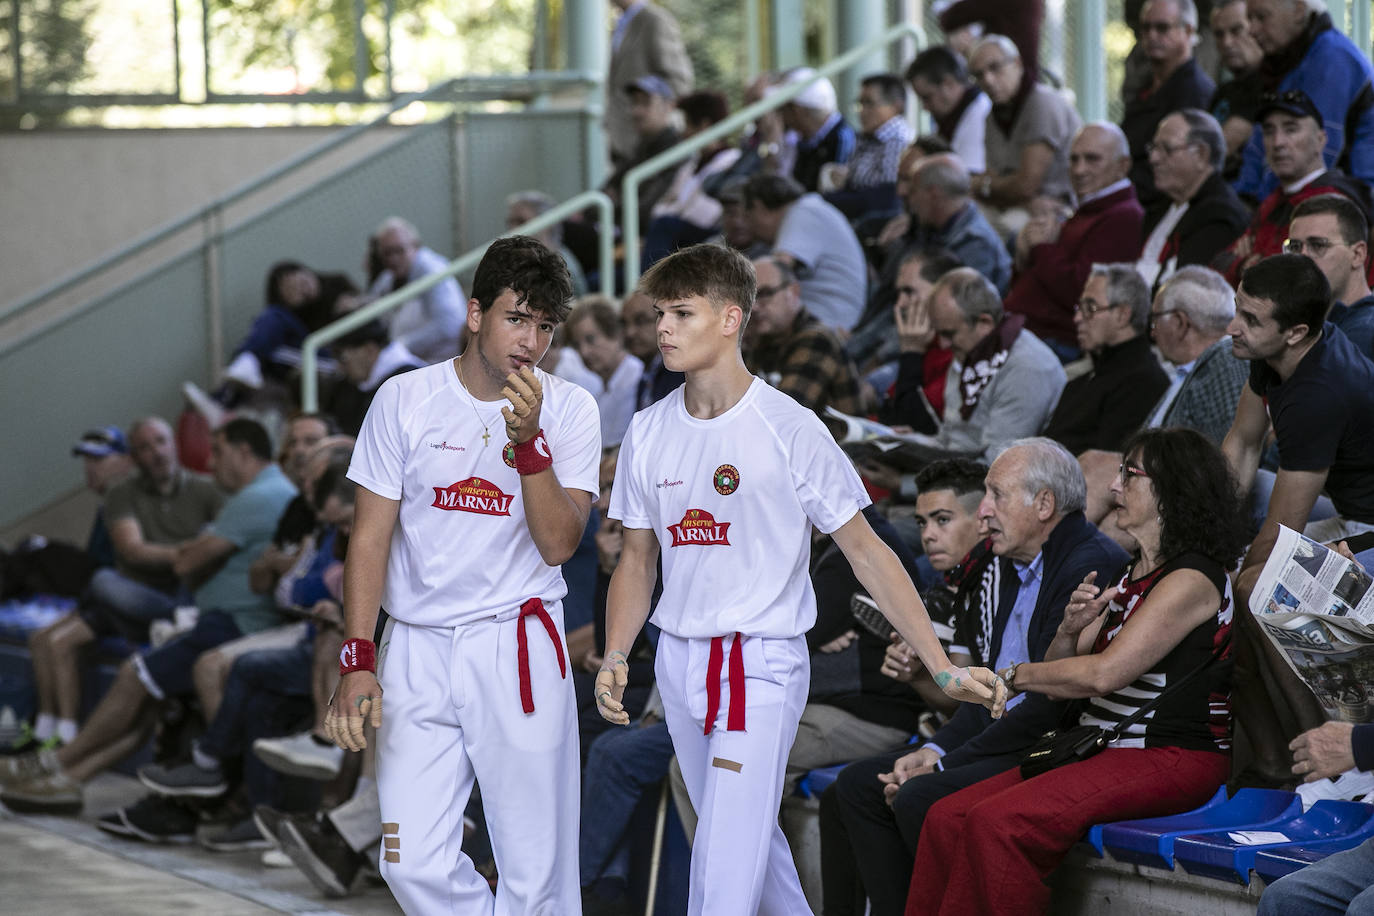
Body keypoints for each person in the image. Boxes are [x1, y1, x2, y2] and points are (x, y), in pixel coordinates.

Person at [593, 243, 1003, 915]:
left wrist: (941, 665)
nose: (662, 327)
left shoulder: (789, 426)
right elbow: (637, 561)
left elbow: (869, 551)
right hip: (679, 663)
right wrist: (615, 654)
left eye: (681, 312)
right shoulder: (645, 431)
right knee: (755, 853)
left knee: (723, 865)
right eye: (658, 312)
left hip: (760, 664)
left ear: (731, 319)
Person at [326, 235, 597, 914]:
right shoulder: (403, 399)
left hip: (520, 641)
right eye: (516, 318)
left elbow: (560, 542)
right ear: (475, 314)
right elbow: (368, 539)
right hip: (414, 645)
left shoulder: (572, 409)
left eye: (544, 326)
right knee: (409, 862)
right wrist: (357, 658)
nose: (529, 340)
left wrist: (529, 443)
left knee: (538, 871)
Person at [908, 426, 1249, 916]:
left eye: (1130, 475)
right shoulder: (1130, 572)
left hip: (1170, 753)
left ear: (1172, 488)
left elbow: (1101, 675)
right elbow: (1065, 672)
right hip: (1101, 748)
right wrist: (1069, 629)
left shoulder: (1193, 578)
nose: (1113, 488)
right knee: (945, 816)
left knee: (999, 825)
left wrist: (1011, 676)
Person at [822, 438, 1129, 916]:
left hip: (1051, 741)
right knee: (856, 787)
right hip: (1001, 733)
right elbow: (988, 696)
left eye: (996, 495)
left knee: (918, 796)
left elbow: (1046, 704)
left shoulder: (1089, 562)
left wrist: (943, 765)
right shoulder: (1006, 563)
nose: (985, 511)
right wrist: (933, 751)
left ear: (1044, 504)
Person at [0, 418, 296, 812]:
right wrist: (196, 549)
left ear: (244, 452)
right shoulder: (251, 494)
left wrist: (194, 553)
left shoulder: (254, 496)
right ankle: (63, 777)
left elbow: (186, 561)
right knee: (76, 630)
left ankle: (58, 764)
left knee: (133, 674)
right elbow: (148, 553)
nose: (211, 460)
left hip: (226, 623)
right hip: (198, 613)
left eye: (219, 451)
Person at [1221, 254, 1374, 783]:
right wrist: (1202, 542)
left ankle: (1329, 769)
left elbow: (1280, 535)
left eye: (1251, 320)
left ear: (1297, 332)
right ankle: (1267, 763)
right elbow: (1240, 446)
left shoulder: (1318, 393)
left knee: (1255, 587)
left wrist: (1229, 573)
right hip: (1351, 514)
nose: (1232, 328)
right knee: (1217, 592)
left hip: (1368, 529)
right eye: (1237, 309)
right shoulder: (1269, 352)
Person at [24, 418, 223, 752]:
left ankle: (64, 743)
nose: (92, 469)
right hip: (125, 599)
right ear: (136, 456)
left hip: (167, 600)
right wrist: (192, 551)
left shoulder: (205, 490)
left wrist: (191, 556)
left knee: (70, 630)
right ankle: (52, 736)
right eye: (87, 461)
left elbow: (223, 545)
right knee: (50, 633)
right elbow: (132, 552)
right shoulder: (119, 498)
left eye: (99, 460)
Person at [892, 267, 1066, 462]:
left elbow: (998, 465)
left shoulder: (1026, 369)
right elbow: (950, 441)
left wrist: (904, 485)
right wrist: (909, 442)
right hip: (961, 472)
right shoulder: (972, 352)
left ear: (985, 323)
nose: (943, 344)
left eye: (949, 334)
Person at [1005, 122, 1146, 357]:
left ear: (1122, 166)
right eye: (1074, 159)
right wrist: (1025, 252)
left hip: (1054, 341)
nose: (1079, 170)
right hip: (1026, 331)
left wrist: (1041, 248)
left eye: (1092, 159)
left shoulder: (1124, 216)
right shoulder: (1089, 208)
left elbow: (1081, 292)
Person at [1214, 89, 1374, 286]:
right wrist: (1242, 266)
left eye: (1291, 129)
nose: (1278, 142)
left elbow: (1290, 288)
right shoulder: (1274, 199)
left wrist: (1246, 263)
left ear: (1321, 140)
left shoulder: (1331, 202)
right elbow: (1216, 267)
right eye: (1269, 131)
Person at [1235, 0, 1374, 203]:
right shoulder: (1290, 60)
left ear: (1299, 11)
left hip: (1349, 209)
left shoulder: (1332, 58)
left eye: (1262, 17)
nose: (1252, 30)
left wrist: (1259, 210)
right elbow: (1258, 145)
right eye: (1249, 19)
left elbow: (1310, 161)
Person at [1043, 265, 1170, 454]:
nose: (1078, 318)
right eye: (1080, 308)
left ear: (1122, 315)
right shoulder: (1090, 375)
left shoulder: (1143, 383)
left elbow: (1106, 467)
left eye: (1090, 308)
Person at [968, 35, 1082, 236]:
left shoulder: (1042, 103)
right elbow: (996, 181)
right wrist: (989, 186)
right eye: (979, 75)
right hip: (1019, 205)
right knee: (963, 214)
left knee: (1004, 229)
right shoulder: (992, 116)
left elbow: (1027, 184)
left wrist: (983, 185)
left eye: (995, 68)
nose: (988, 80)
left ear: (1017, 63)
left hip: (1056, 210)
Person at [1137, 108, 1248, 290]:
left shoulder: (1220, 218)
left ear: (1202, 155)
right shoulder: (1160, 208)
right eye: (1153, 148)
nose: (1154, 158)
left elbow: (1188, 294)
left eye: (1166, 149)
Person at [742, 255, 863, 421]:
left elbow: (783, 417)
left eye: (765, 293)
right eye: (749, 297)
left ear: (793, 292)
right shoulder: (761, 338)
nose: (754, 307)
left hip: (842, 445)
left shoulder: (817, 339)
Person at [743, 173, 868, 332]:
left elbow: (776, 270)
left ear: (758, 207)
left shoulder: (804, 211)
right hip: (828, 318)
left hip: (827, 322)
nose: (749, 227)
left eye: (748, 217)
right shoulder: (810, 209)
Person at [1121, 0, 1216, 208]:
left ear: (1188, 31)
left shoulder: (1194, 92)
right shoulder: (1141, 85)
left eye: (1162, 28)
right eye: (1146, 28)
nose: (1152, 36)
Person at [642, 90, 741, 266]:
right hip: (674, 239)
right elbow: (660, 207)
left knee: (665, 225)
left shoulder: (732, 161)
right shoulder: (691, 164)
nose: (684, 133)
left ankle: (648, 289)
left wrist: (675, 212)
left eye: (687, 124)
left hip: (705, 239)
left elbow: (705, 215)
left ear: (704, 125)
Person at [903, 153, 1011, 295]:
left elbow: (965, 309)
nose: (908, 199)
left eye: (913, 191)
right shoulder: (929, 229)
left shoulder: (977, 244)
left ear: (933, 194)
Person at [605, 0, 693, 170]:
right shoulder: (620, 24)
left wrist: (652, 108)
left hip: (651, 142)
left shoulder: (655, 20)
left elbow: (679, 80)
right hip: (622, 138)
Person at [368, 217, 466, 363]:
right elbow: (372, 304)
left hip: (441, 361)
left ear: (415, 246)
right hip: (410, 360)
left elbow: (449, 326)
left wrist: (400, 346)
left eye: (399, 250)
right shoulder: (389, 276)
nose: (393, 258)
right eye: (387, 253)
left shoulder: (432, 270)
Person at [1289, 194, 1374, 358]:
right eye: (1294, 246)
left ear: (1358, 254)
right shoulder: (1305, 327)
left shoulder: (1366, 334)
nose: (1302, 256)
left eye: (1318, 245)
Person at [824, 73, 916, 220]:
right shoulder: (867, 137)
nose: (862, 111)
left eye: (869, 103)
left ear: (896, 106)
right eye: (860, 104)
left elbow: (886, 197)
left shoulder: (899, 141)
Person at [604, 75, 682, 230]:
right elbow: (605, 191)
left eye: (646, 103)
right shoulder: (643, 147)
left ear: (668, 107)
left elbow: (644, 212)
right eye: (635, 102)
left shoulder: (676, 152)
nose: (636, 111)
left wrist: (616, 202)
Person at [566, 295, 644, 447]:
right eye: (577, 345)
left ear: (616, 334)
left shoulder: (637, 378)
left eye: (591, 339)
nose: (584, 352)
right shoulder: (598, 393)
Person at [324, 319, 424, 437]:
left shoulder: (411, 382)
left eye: (342, 357)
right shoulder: (349, 384)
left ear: (369, 350)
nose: (339, 367)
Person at [905, 46, 990, 174]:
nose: (925, 108)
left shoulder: (980, 115)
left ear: (949, 84)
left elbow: (964, 181)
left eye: (927, 98)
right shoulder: (953, 117)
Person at [1208, 0, 1266, 181]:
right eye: (1219, 34)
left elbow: (1219, 148)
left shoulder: (1270, 85)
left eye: (1236, 31)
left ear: (1256, 28)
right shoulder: (1224, 91)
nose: (1227, 42)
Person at [778, 68, 857, 194]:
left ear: (797, 111)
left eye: (782, 109)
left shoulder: (842, 138)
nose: (780, 116)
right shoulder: (800, 138)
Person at [621, 288, 684, 410]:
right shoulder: (646, 377)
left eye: (640, 321)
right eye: (624, 323)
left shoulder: (680, 375)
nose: (629, 332)